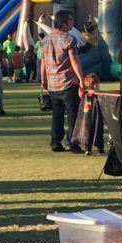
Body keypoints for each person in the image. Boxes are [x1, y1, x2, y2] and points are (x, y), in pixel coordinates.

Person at [40, 10, 84, 153]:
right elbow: (74, 61)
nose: (72, 22)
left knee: (57, 115)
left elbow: (43, 62)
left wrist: (43, 80)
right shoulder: (69, 39)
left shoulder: (46, 40)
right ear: (64, 22)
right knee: (73, 114)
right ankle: (73, 142)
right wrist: (82, 80)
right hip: (68, 82)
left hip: (52, 84)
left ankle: (55, 142)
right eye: (70, 20)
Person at [72, 72, 104, 156]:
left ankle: (99, 147)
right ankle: (88, 148)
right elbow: (81, 93)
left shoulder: (98, 94)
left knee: (98, 130)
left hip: (96, 116)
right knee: (88, 131)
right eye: (95, 83)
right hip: (87, 117)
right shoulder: (86, 93)